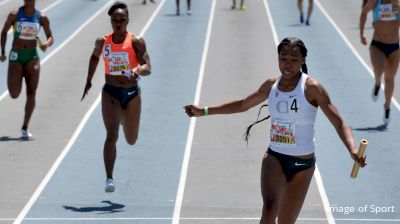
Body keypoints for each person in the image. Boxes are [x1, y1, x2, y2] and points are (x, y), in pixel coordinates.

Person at [184, 37, 367, 223]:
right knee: (270, 208)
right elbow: (243, 105)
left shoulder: (312, 88)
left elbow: (339, 122)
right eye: (283, 58)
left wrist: (352, 148)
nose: (287, 65)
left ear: (303, 61)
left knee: (286, 221)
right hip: (275, 157)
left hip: (303, 166)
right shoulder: (271, 85)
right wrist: (203, 111)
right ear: (278, 58)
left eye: (294, 60)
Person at [81, 1, 151, 193]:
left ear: (128, 20)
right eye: (115, 20)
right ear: (111, 21)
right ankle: (109, 178)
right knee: (111, 136)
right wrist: (88, 80)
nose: (118, 23)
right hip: (110, 92)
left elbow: (148, 68)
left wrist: (137, 69)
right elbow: (95, 57)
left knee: (131, 139)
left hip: (131, 93)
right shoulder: (102, 41)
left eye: (122, 20)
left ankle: (124, 117)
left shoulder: (136, 41)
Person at [0, 0, 53, 139]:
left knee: (31, 93)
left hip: (32, 57)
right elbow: (4, 31)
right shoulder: (15, 15)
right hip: (16, 56)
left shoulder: (41, 17)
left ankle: (25, 127)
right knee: (14, 93)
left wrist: (46, 44)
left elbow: (50, 36)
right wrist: (3, 52)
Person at [360, 0, 399, 125]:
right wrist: (361, 33)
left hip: (394, 47)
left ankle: (387, 106)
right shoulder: (377, 1)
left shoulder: (398, 4)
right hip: (378, 44)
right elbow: (365, 11)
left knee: (389, 79)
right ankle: (377, 82)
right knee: (380, 68)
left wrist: (397, 6)